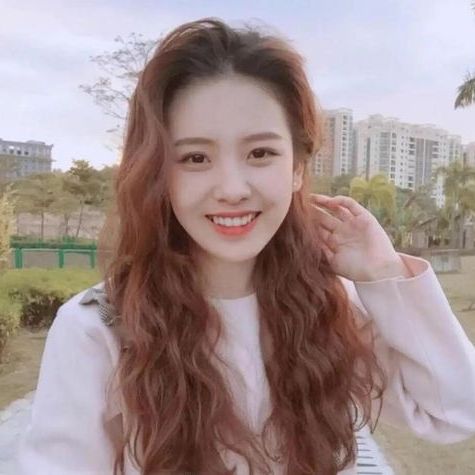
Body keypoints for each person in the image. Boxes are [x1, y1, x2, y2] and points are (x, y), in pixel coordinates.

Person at [16, 17, 475, 475]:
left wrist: (383, 273)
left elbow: (456, 411)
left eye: (260, 153)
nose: (232, 189)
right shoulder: (100, 330)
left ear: (297, 168)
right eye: (196, 158)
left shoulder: (334, 309)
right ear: (160, 174)